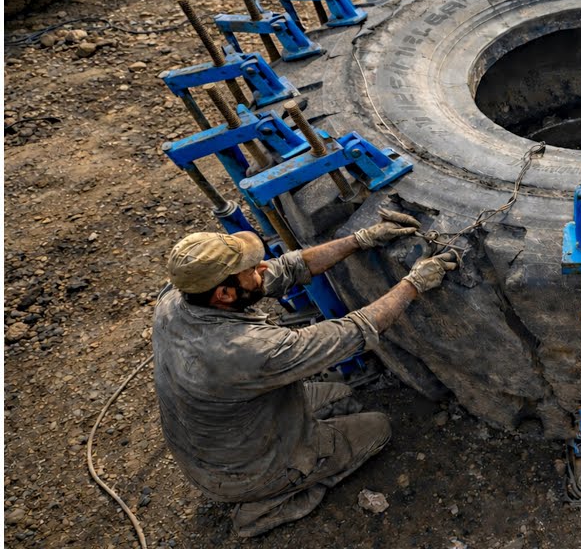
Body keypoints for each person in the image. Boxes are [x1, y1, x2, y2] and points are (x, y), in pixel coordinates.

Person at [152, 209, 456, 537]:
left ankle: (283, 457)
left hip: (218, 437)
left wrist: (361, 239)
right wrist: (413, 283)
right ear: (224, 294)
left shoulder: (178, 297)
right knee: (378, 428)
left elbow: (287, 268)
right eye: (251, 270)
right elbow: (351, 333)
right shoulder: (246, 350)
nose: (263, 267)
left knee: (342, 393)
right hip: (245, 470)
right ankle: (264, 505)